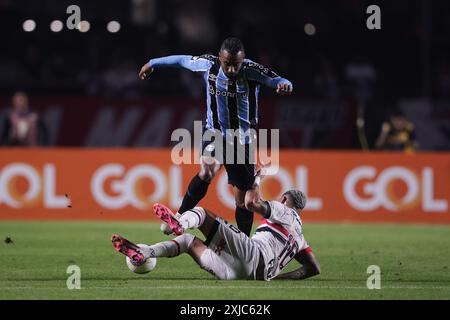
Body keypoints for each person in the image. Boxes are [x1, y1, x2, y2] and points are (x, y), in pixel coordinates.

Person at [138, 37, 293, 236]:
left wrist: (285, 85)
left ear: (243, 59)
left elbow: (279, 80)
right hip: (215, 132)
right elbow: (181, 60)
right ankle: (178, 217)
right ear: (220, 58)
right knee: (207, 172)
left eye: (235, 65)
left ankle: (244, 243)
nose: (230, 70)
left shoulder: (253, 70)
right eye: (227, 64)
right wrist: (152, 63)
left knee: (242, 200)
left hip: (241, 140)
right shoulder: (208, 65)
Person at [111, 173, 320, 281]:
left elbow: (251, 203)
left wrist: (257, 178)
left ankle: (180, 222)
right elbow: (313, 269)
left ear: (284, 199)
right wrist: (278, 278)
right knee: (186, 243)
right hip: (245, 275)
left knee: (202, 214)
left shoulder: (283, 211)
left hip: (253, 255)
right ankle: (144, 252)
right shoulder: (300, 238)